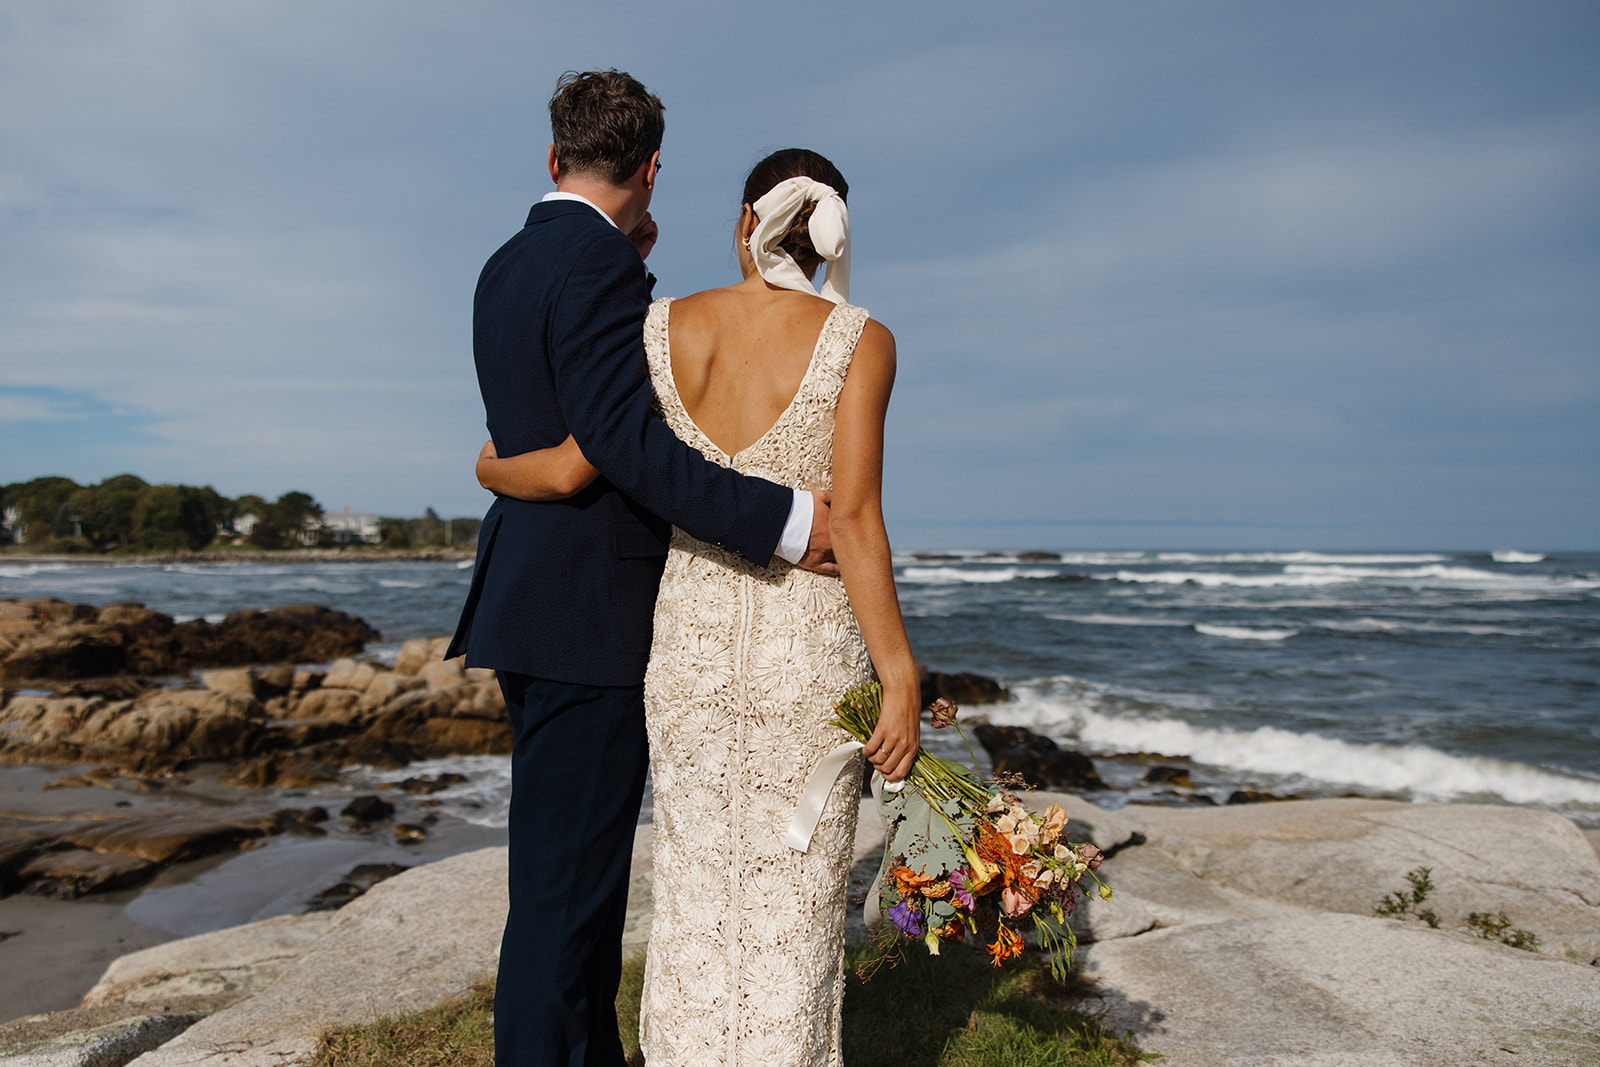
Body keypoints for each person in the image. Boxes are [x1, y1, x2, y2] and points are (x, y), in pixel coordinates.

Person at [477, 147, 921, 1067]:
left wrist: (486, 466)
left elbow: (580, 457)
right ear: (835, 231)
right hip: (806, 641)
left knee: (694, 888)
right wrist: (901, 675)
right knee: (793, 897)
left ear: (743, 222)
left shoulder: (659, 325)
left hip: (688, 643)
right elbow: (860, 521)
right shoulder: (861, 338)